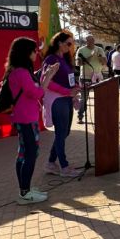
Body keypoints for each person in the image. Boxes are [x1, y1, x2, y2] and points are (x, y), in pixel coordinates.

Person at [5, 37, 59, 204]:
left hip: (23, 118)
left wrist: (45, 76)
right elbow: (38, 93)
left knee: (23, 153)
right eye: (34, 50)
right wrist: (49, 76)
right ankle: (25, 193)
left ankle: (25, 188)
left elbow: (34, 89)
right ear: (26, 52)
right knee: (29, 154)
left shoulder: (17, 70)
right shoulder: (21, 72)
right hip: (26, 119)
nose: (36, 53)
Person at [42, 31, 83, 178]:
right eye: (69, 43)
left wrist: (76, 86)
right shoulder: (50, 59)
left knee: (64, 133)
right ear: (59, 43)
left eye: (72, 44)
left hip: (66, 99)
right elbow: (47, 83)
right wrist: (67, 91)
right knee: (61, 133)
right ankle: (64, 167)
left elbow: (69, 78)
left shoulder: (65, 59)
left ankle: (50, 163)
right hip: (57, 100)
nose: (71, 47)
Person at [75, 35, 106, 124]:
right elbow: (78, 63)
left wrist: (100, 57)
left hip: (97, 77)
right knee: (84, 98)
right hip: (85, 78)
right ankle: (80, 117)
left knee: (100, 98)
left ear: (94, 41)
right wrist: (90, 56)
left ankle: (101, 116)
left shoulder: (99, 49)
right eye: (88, 41)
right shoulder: (81, 50)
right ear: (86, 41)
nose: (90, 42)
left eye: (92, 41)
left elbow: (104, 62)